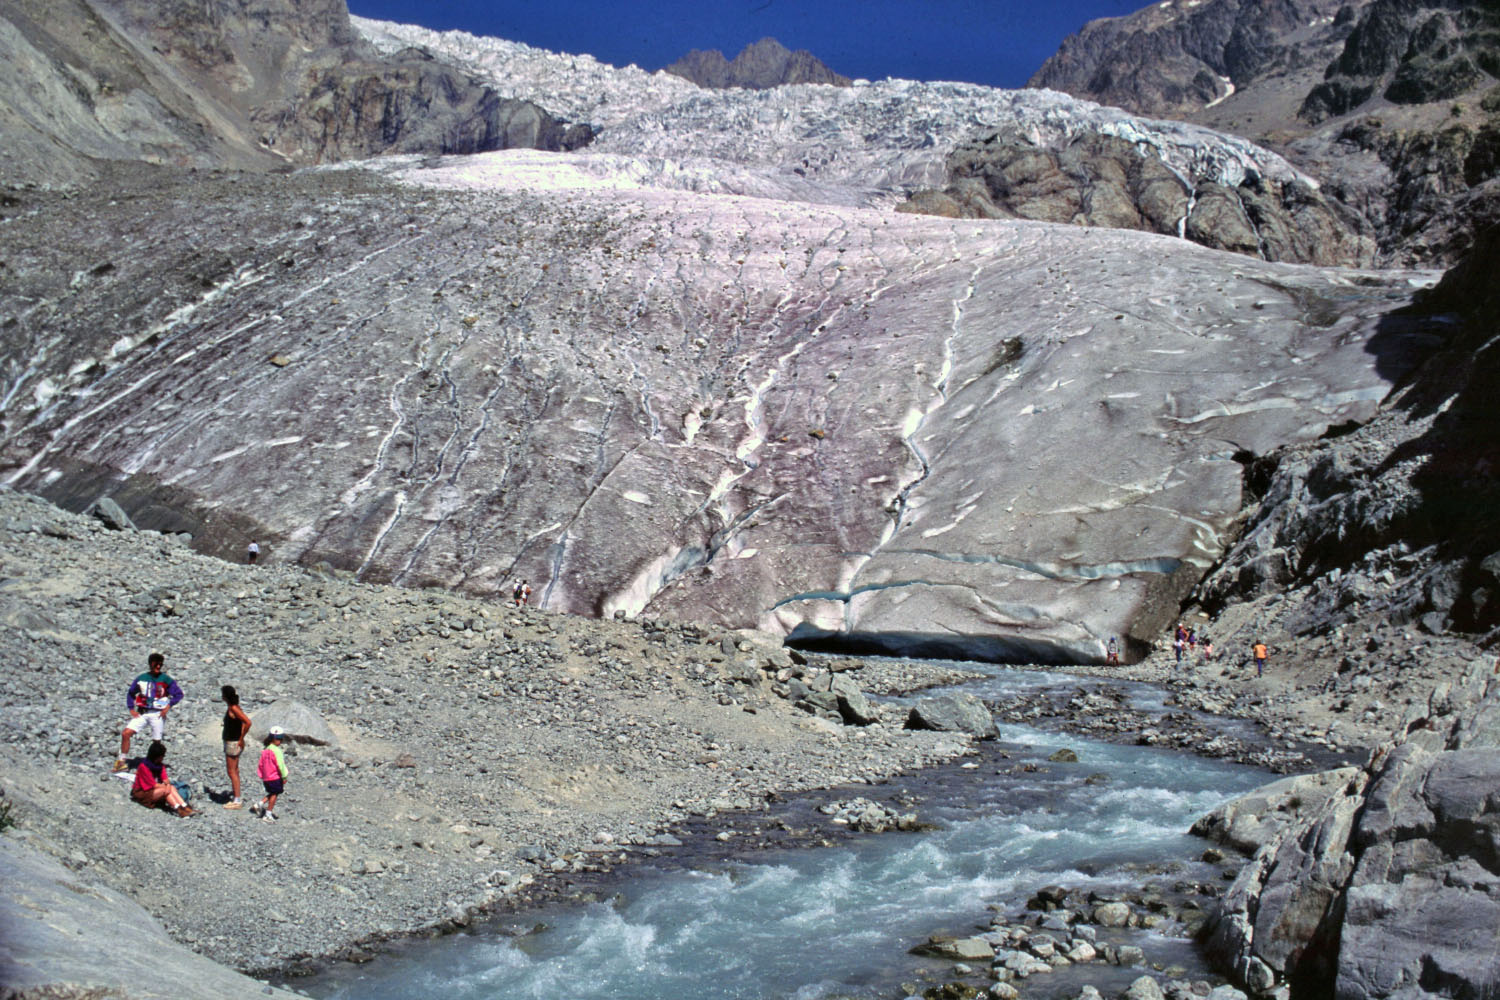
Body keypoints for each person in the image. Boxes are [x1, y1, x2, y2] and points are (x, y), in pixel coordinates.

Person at [113, 653, 184, 772]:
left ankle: (153, 765)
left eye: (161, 664)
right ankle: (121, 761)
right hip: (142, 712)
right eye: (156, 664)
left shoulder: (166, 679)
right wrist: (131, 708)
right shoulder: (141, 678)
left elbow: (178, 694)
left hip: (158, 713)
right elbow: (131, 693)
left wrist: (168, 706)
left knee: (156, 742)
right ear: (151, 664)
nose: (158, 667)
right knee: (126, 733)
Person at [131, 741, 194, 817]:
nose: (163, 757)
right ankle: (180, 810)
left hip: (154, 789)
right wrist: (167, 787)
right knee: (166, 790)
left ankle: (184, 807)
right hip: (142, 792)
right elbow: (153, 785)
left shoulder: (160, 766)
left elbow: (165, 780)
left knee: (170, 788)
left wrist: (168, 786)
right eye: (162, 756)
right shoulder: (144, 767)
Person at [221, 685, 252, 809]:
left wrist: (241, 737)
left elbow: (248, 722)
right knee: (235, 770)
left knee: (231, 771)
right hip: (233, 742)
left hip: (232, 743)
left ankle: (237, 800)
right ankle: (237, 796)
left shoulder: (233, 708)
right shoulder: (234, 707)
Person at [252, 727, 289, 823]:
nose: (280, 741)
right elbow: (280, 764)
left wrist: (262, 775)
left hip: (266, 777)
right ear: (274, 739)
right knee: (275, 794)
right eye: (279, 739)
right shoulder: (277, 751)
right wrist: (284, 776)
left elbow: (261, 764)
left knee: (273, 792)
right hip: (275, 776)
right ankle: (268, 813)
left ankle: (260, 803)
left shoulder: (266, 750)